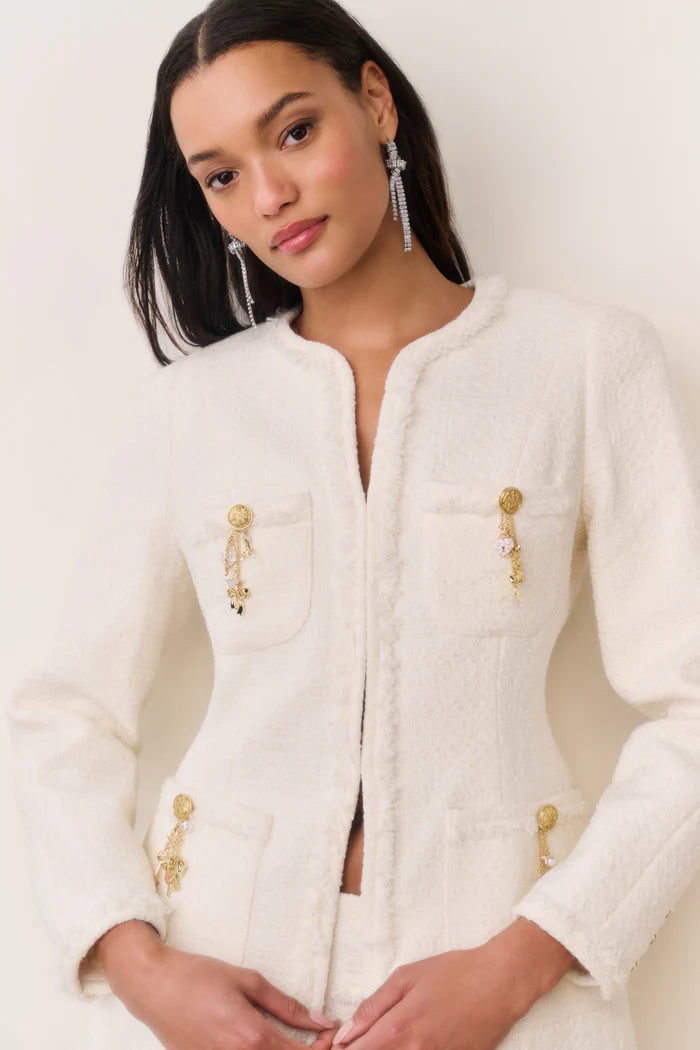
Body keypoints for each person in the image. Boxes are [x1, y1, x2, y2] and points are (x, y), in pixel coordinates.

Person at [8, 1, 700, 1048]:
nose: (269, 196)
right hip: (224, 975)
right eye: (221, 176)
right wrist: (136, 964)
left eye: (294, 131)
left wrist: (524, 960)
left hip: (506, 972)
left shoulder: (584, 364)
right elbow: (66, 713)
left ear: (374, 102)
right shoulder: (192, 410)